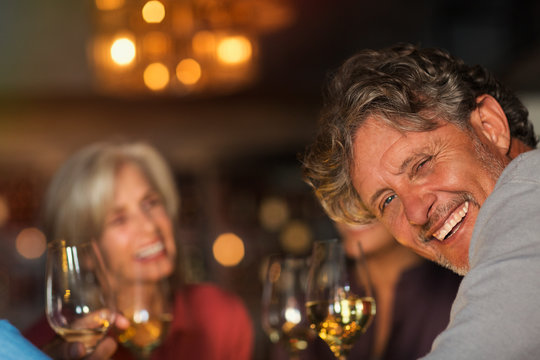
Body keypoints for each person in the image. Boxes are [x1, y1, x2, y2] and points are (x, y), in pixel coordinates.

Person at [302, 43, 540, 358]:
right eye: (387, 201)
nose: (415, 213)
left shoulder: (529, 197)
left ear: (490, 127)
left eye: (421, 165)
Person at [25, 141, 254, 360]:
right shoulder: (41, 346)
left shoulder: (219, 314)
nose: (149, 225)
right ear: (85, 253)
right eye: (119, 219)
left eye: (151, 203)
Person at [298, 221, 461, 360]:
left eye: (365, 196)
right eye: (339, 196)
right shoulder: (315, 303)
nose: (350, 213)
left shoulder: (459, 295)